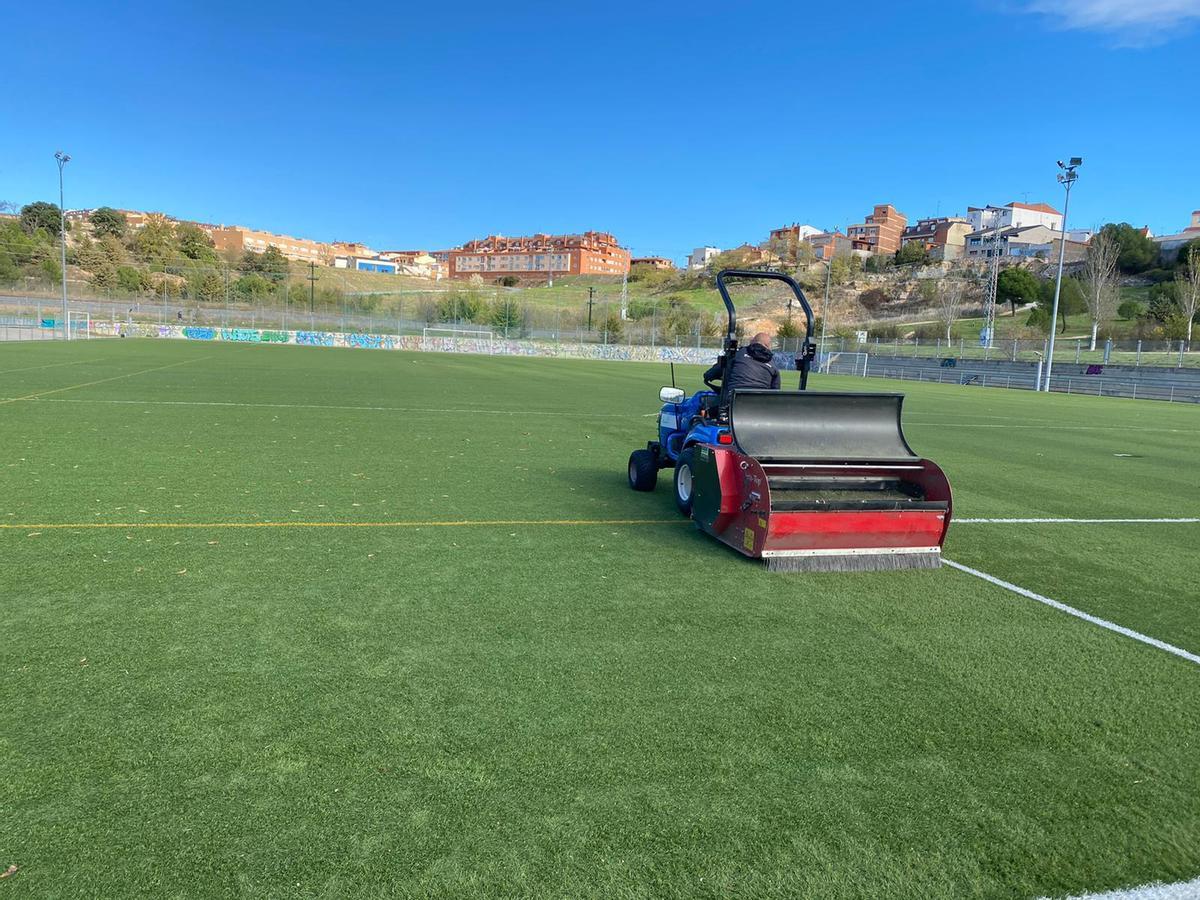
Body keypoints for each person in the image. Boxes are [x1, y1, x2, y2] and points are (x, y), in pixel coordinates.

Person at [704, 332, 781, 391]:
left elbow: (712, 373)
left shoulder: (738, 354)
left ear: (752, 341)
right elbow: (775, 390)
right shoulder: (773, 364)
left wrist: (708, 376)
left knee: (702, 401)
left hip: (733, 405)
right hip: (760, 407)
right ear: (769, 346)